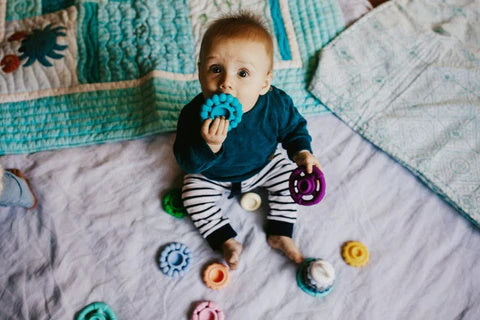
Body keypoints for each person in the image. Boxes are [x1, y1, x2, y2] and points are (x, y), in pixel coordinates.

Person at [173, 12, 321, 270]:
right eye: (216, 69)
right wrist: (209, 145)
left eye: (243, 73)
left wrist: (301, 153)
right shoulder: (192, 115)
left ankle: (280, 232)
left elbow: (294, 128)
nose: (226, 83)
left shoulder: (276, 104)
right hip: (213, 175)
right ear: (199, 71)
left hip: (263, 166)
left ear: (264, 82)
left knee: (289, 176)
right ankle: (226, 240)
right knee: (191, 194)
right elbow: (187, 162)